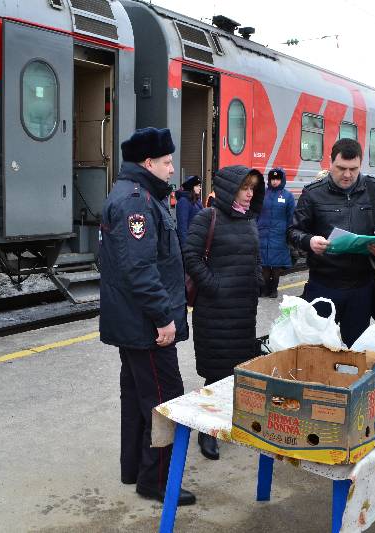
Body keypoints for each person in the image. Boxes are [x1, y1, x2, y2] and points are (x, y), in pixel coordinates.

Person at [98, 127, 195, 506]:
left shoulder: (132, 196)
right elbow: (140, 270)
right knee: (165, 399)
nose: (173, 169)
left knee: (137, 395)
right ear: (148, 163)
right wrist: (163, 317)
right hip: (146, 326)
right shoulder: (137, 203)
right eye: (168, 162)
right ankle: (156, 480)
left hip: (132, 323)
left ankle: (133, 468)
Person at [183, 166, 265, 460]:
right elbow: (190, 256)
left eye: (253, 188)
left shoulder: (249, 220)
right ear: (231, 189)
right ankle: (207, 432)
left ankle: (229, 423)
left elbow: (255, 256)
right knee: (216, 375)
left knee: (237, 370)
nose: (249, 194)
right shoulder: (208, 217)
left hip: (243, 311)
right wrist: (215, 286)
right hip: (215, 313)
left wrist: (256, 278)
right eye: (245, 188)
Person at [287, 138, 375, 346]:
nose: (347, 175)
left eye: (353, 169)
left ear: (360, 165)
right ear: (330, 163)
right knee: (315, 346)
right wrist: (309, 241)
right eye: (341, 168)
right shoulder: (313, 193)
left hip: (362, 287)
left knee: (356, 347)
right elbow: (293, 231)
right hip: (323, 284)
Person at [257, 167, 295, 298]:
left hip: (279, 235)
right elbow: (256, 213)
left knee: (276, 265)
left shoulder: (288, 196)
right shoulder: (262, 194)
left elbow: (291, 217)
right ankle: (265, 288)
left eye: (277, 179)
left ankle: (274, 289)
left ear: (282, 179)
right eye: (272, 179)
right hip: (262, 233)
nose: (274, 181)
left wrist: (290, 234)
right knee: (264, 264)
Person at [174, 175, 203, 247]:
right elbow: (182, 227)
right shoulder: (183, 201)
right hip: (190, 243)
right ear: (191, 187)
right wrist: (185, 247)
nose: (200, 188)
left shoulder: (196, 200)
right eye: (197, 186)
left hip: (197, 241)